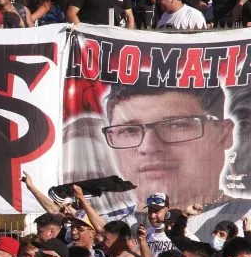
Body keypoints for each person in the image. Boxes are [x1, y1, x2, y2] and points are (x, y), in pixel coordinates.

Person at [100, 80, 236, 238]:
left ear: (224, 134)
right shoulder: (107, 227)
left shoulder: (244, 217)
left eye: (176, 125)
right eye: (129, 130)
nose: (148, 147)